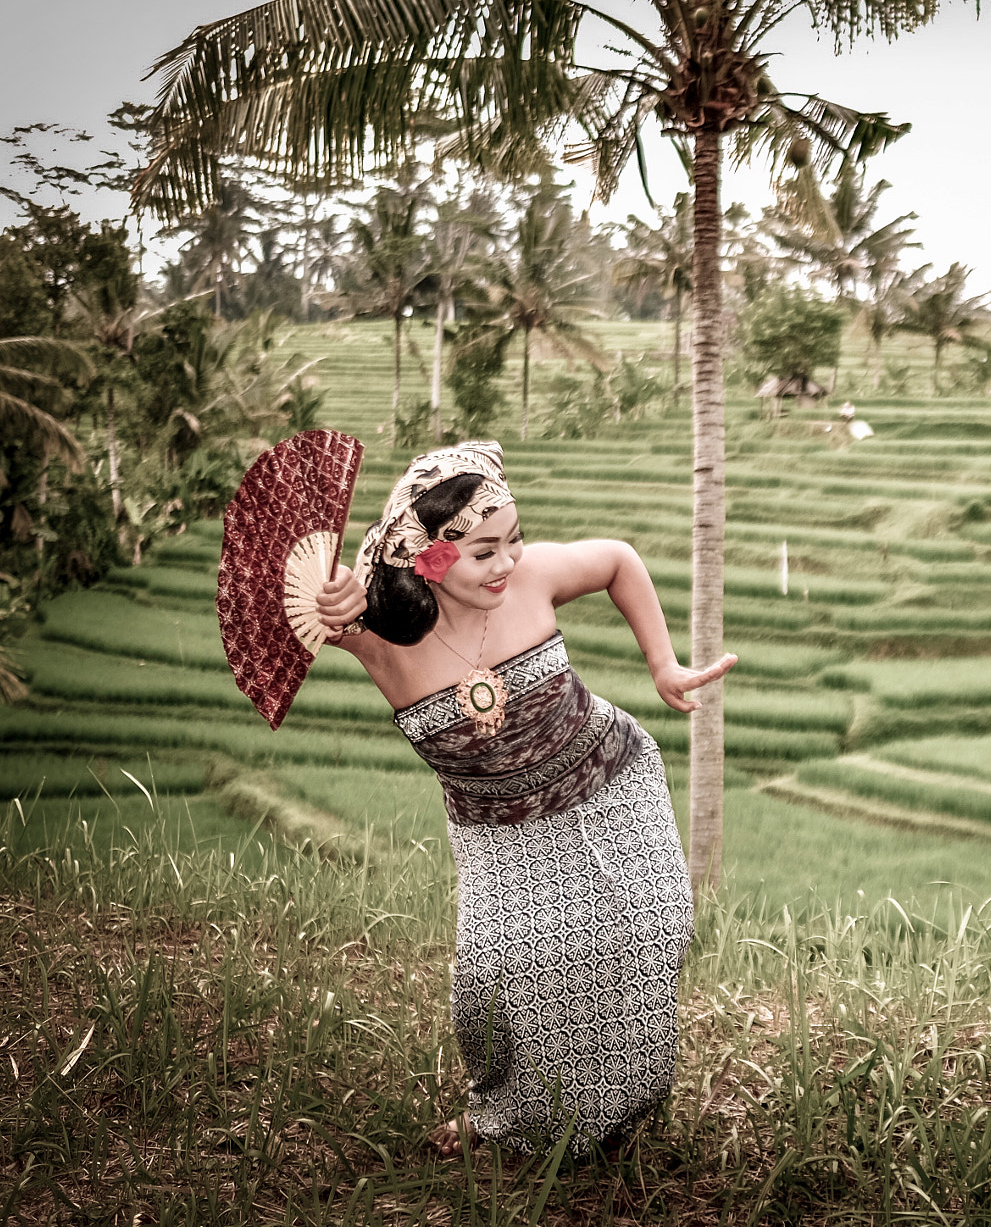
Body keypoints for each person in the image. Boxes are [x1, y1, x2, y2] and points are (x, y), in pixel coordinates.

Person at [311, 441, 734, 1157]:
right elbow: (318, 604)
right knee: (494, 978)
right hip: (498, 833)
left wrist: (662, 663)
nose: (507, 562)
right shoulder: (380, 638)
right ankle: (497, 1115)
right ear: (432, 558)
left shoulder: (531, 578)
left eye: (514, 539)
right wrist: (336, 597)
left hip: (611, 782)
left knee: (648, 934)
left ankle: (610, 1116)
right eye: (483, 551)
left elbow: (618, 560)